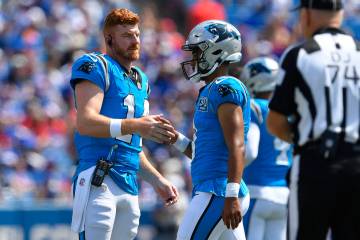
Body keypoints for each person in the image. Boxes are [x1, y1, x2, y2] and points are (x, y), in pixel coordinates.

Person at [69, 8, 179, 240]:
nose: (135, 41)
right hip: (99, 179)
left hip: (129, 183)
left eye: (137, 35)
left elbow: (129, 146)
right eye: (127, 35)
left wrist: (156, 179)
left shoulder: (140, 79)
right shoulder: (96, 65)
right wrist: (135, 125)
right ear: (109, 38)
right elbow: (86, 122)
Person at [266, 0, 360, 239]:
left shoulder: (300, 55)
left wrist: (299, 138)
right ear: (340, 14)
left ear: (306, 15)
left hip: (314, 163)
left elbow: (275, 120)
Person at [171, 20, 251, 240]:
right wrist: (175, 139)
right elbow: (204, 153)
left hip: (218, 190)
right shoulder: (211, 90)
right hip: (216, 188)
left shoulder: (225, 87)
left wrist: (231, 194)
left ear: (216, 51)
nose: (194, 59)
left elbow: (237, 145)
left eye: (198, 52)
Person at [240, 57, 292, 240]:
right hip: (284, 194)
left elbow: (251, 151)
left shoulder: (255, 108)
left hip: (257, 190)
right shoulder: (289, 111)